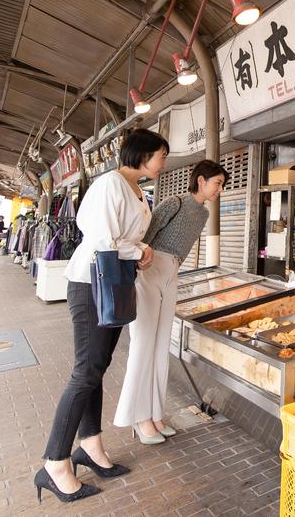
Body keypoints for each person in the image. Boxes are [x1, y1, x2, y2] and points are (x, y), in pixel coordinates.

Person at [35, 129, 168, 504]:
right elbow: (100, 239)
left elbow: (120, 242)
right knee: (85, 371)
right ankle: (55, 461)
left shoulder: (137, 190)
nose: (163, 163)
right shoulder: (110, 185)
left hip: (113, 284)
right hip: (91, 284)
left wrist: (137, 251)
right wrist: (139, 249)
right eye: (160, 155)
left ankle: (89, 445)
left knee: (97, 368)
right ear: (141, 155)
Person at [114, 160, 228, 443]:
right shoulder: (174, 203)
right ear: (201, 181)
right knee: (143, 346)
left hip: (172, 273)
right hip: (148, 270)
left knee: (161, 345)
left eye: (222, 185)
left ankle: (154, 414)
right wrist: (142, 261)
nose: (220, 190)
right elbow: (145, 237)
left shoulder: (202, 214)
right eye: (217, 184)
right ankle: (139, 418)